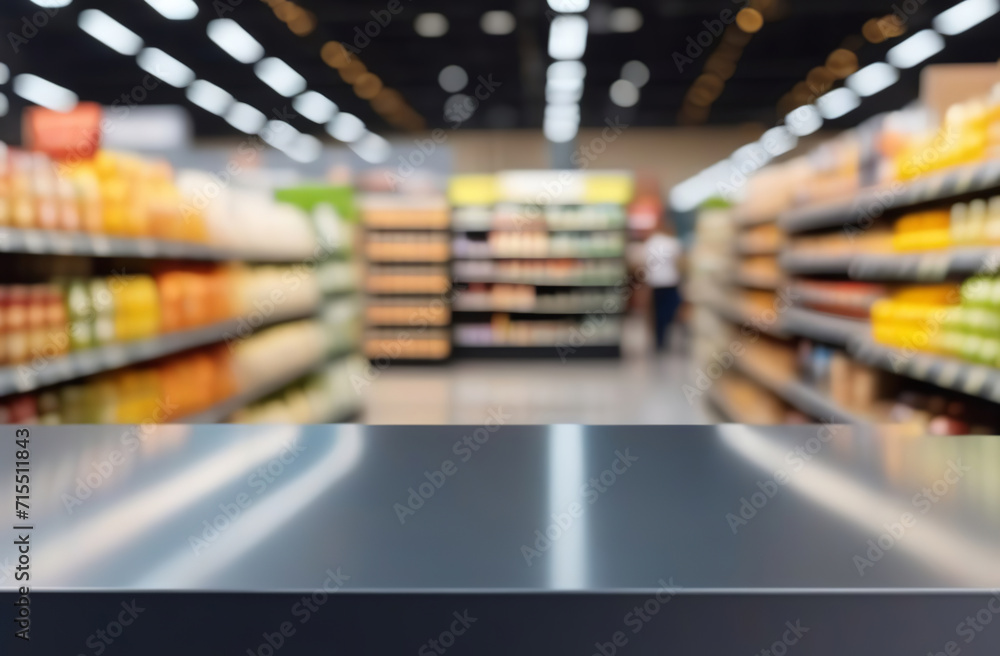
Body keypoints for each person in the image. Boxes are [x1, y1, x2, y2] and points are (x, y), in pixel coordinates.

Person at [644, 218, 683, 351]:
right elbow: (680, 264)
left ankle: (658, 340)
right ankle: (665, 336)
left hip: (655, 283)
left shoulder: (650, 242)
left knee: (657, 311)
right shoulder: (673, 243)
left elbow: (644, 263)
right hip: (671, 282)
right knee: (669, 310)